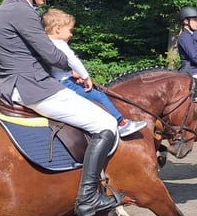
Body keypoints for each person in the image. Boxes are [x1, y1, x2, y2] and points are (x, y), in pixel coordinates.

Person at [0, 0, 123, 216]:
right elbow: (50, 53)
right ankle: (88, 197)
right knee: (107, 124)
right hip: (32, 86)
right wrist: (71, 69)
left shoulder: (7, 10)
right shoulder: (21, 10)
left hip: (12, 85)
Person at [42, 9, 146, 138]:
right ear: (57, 29)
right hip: (66, 83)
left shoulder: (46, 43)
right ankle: (121, 124)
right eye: (70, 30)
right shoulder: (60, 44)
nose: (71, 34)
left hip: (60, 81)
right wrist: (86, 77)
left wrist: (71, 73)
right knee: (100, 97)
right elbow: (74, 61)